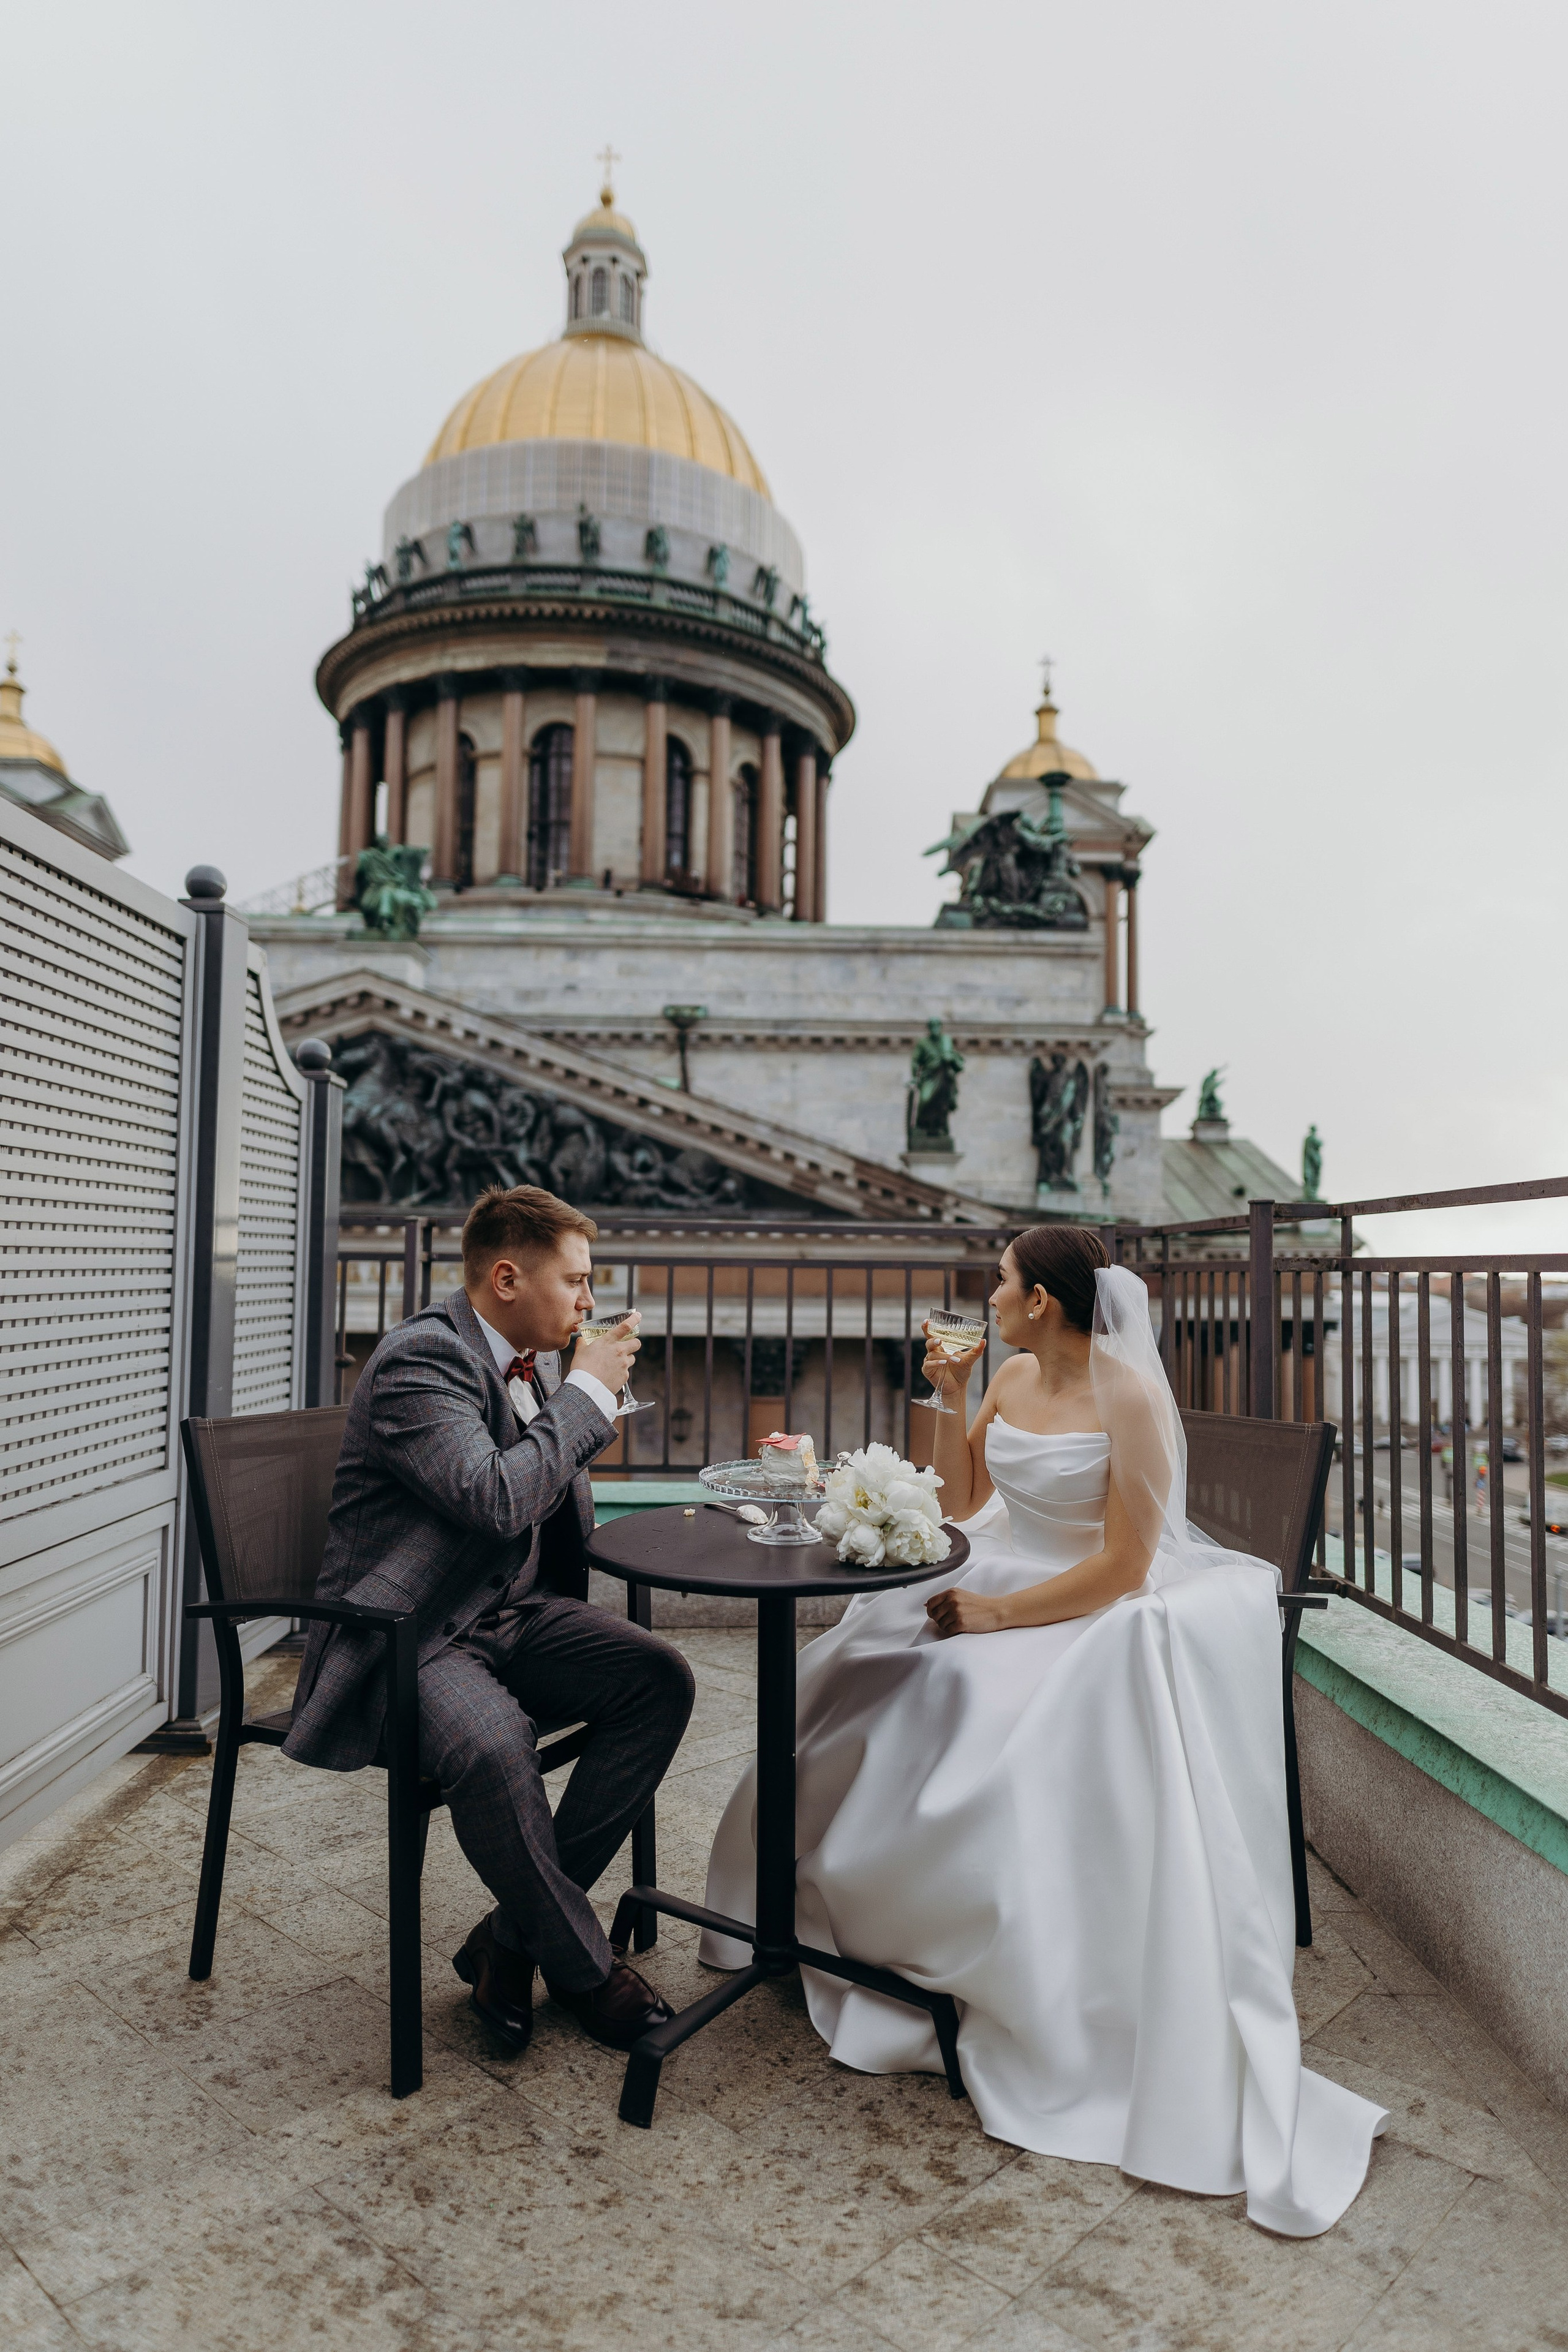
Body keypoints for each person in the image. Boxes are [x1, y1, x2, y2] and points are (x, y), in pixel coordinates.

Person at [700, 1225, 1387, 2237]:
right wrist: (945, 1393)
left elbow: (1123, 1564)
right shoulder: (1014, 1376)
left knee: (966, 1704)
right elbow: (972, 1500)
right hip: (1006, 1570)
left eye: (1006, 1281)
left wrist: (992, 1617)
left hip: (1088, 1603)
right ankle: (839, 1910)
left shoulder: (1133, 1397)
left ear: (1047, 1303)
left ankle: (973, 1952)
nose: (991, 1292)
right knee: (856, 1668)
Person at [285, 1185, 695, 2056]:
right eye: (576, 1282)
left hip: (507, 1617)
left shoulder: (534, 1359)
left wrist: (576, 1400)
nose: (589, 1303)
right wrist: (586, 1397)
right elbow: (498, 1497)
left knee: (657, 1679)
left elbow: (538, 1490)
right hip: (411, 1637)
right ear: (507, 1277)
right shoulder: (418, 1364)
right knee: (494, 1743)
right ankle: (588, 1972)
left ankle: (510, 1942)